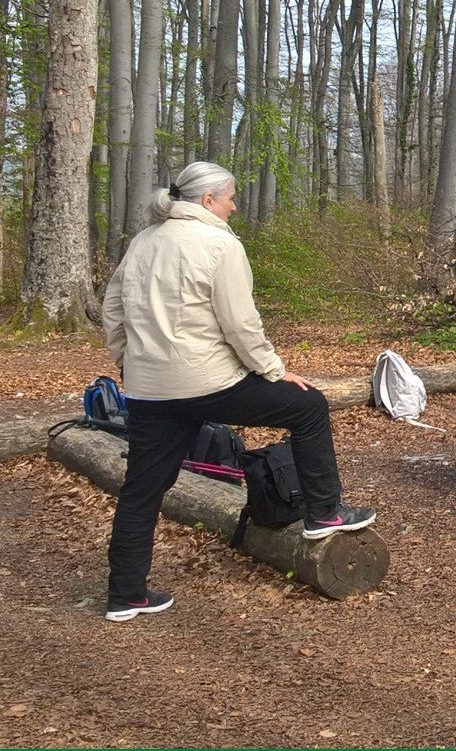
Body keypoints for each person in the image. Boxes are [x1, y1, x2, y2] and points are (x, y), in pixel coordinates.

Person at [99, 161, 374, 622]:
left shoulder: (143, 241)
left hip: (150, 388)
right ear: (207, 200)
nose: (234, 205)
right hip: (208, 382)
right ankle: (324, 512)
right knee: (307, 406)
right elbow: (241, 324)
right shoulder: (219, 244)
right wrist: (273, 369)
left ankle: (125, 594)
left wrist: (128, 362)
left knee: (142, 489)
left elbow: (112, 308)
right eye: (229, 197)